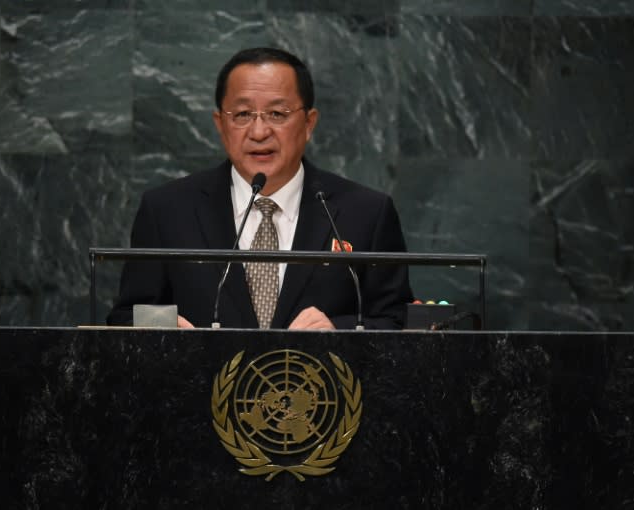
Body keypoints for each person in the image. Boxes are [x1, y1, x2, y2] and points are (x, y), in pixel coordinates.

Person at [107, 47, 413, 329]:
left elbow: (397, 320)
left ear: (309, 123)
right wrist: (161, 325)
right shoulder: (168, 211)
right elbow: (124, 317)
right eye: (241, 115)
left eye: (277, 114)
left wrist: (339, 330)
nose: (259, 131)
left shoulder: (366, 213)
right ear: (220, 125)